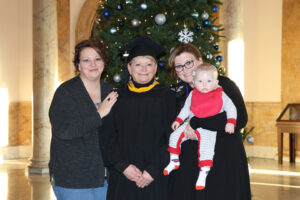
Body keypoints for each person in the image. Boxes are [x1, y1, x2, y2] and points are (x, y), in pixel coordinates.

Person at [167, 43, 251, 200]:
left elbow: (240, 117)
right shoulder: (177, 93)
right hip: (191, 167)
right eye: (179, 67)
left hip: (224, 161)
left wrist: (197, 122)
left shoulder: (223, 84)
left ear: (199, 61)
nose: (185, 70)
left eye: (189, 63)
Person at [100, 35, 177, 200]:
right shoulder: (115, 97)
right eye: (138, 64)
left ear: (156, 67)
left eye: (149, 64)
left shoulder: (167, 97)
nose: (144, 69)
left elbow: (173, 137)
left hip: (157, 177)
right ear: (129, 68)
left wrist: (153, 169)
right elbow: (107, 137)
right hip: (123, 177)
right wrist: (123, 166)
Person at [48, 39, 118, 200]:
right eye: (86, 60)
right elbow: (64, 131)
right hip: (73, 179)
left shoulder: (110, 91)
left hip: (106, 178)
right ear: (78, 66)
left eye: (98, 59)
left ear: (104, 63)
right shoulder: (66, 92)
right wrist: (98, 114)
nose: (93, 64)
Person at [164, 63, 237, 190]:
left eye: (209, 81)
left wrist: (231, 122)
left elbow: (231, 108)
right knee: (174, 136)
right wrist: (178, 120)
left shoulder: (220, 94)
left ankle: (203, 173)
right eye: (200, 81)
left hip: (208, 129)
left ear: (216, 81)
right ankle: (174, 160)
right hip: (189, 125)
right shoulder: (193, 94)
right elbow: (186, 108)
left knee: (206, 150)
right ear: (194, 81)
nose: (204, 85)